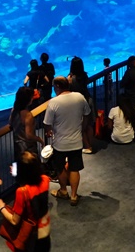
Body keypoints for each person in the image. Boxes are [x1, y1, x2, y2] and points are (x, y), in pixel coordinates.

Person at [43, 76, 90, 206]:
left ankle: (63, 191)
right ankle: (74, 196)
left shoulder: (54, 102)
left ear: (57, 86)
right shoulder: (79, 97)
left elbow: (47, 123)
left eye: (54, 87)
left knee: (60, 168)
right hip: (76, 141)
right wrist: (82, 127)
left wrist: (48, 131)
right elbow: (87, 114)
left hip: (60, 143)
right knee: (74, 169)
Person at [0, 151, 51, 252]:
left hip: (30, 236)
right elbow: (32, 176)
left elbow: (14, 220)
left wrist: (2, 207)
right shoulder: (45, 179)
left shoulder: (22, 192)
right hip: (44, 230)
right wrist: (19, 172)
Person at [68, 56, 95, 154]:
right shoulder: (84, 76)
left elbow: (69, 88)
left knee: (81, 126)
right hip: (88, 99)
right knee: (89, 124)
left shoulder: (71, 78)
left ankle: (87, 146)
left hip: (78, 103)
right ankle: (91, 144)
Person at [9, 87, 44, 159]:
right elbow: (29, 135)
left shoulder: (14, 110)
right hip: (28, 148)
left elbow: (10, 123)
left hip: (18, 146)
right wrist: (39, 139)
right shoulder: (28, 115)